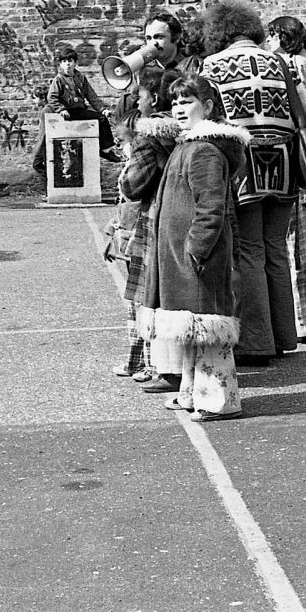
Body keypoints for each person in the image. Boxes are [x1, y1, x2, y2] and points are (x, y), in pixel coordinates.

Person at [134, 73, 247, 422]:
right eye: (176, 102)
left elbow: (211, 207)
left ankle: (218, 401)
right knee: (190, 330)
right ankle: (190, 393)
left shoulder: (205, 150)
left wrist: (196, 249)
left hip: (197, 259)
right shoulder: (188, 145)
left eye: (189, 101)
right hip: (182, 259)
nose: (180, 108)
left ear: (208, 106)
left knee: (207, 330)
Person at [200, 0, 303, 366]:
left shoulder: (212, 65)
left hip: (245, 162)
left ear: (218, 31)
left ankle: (257, 341)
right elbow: (303, 111)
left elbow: (212, 115)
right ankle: (283, 334)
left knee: (248, 251)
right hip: (285, 160)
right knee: (276, 248)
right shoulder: (278, 61)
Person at [113, 66, 180, 387]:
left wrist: (127, 162)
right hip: (177, 220)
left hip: (150, 221)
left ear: (153, 98)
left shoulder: (148, 136)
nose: (136, 103)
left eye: (139, 96)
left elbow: (132, 186)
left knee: (144, 297)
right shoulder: (180, 128)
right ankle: (155, 363)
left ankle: (152, 365)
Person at [268, 16, 306, 347]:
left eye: (273, 34)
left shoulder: (294, 63)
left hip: (286, 160)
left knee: (289, 242)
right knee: (293, 243)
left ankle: (302, 320)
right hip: (292, 160)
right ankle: (305, 320)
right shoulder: (299, 59)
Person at [34, 47, 120, 164]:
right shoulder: (58, 80)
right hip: (67, 112)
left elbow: (92, 96)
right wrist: (61, 109)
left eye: (70, 61)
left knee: (102, 119)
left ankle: (106, 150)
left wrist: (103, 110)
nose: (67, 64)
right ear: (60, 64)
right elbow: (52, 97)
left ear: (75, 63)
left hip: (78, 110)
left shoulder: (80, 78)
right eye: (64, 61)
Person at [115, 12, 202, 121]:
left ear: (176, 38)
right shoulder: (144, 68)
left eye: (159, 37)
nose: (153, 44)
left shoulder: (191, 63)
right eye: (149, 38)